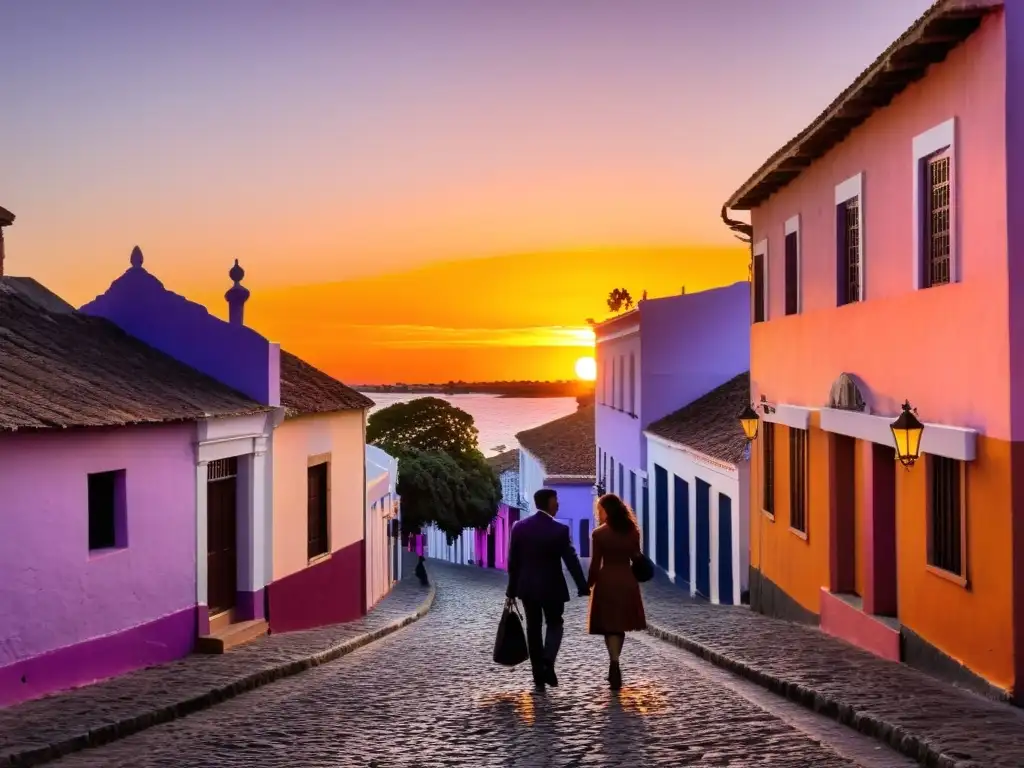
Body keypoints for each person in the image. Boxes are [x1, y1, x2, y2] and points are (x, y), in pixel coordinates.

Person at [506, 488, 589, 690]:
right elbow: (571, 560)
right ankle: (548, 661)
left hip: (527, 588)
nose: (558, 504)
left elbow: (513, 562)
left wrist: (511, 590)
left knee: (533, 629)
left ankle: (538, 678)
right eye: (556, 500)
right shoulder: (559, 530)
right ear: (549, 503)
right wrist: (582, 586)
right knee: (555, 624)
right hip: (553, 586)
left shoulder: (519, 527)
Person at [587, 493, 647, 690]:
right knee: (619, 625)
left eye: (600, 509)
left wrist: (588, 584)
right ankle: (615, 661)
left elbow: (595, 565)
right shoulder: (632, 531)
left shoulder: (599, 534)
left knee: (609, 625)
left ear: (606, 510)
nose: (599, 513)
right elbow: (636, 557)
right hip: (627, 580)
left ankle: (613, 662)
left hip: (607, 582)